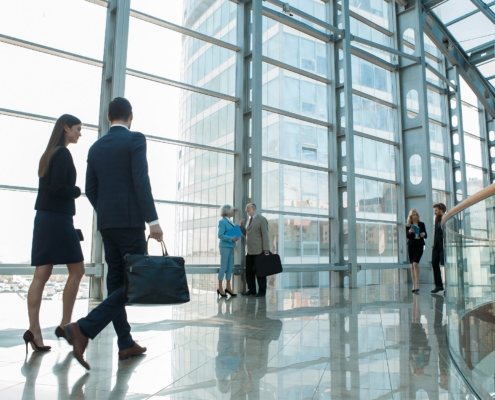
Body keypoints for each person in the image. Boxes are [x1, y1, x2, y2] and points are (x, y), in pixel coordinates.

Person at [64, 97, 163, 370]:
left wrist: (107, 211)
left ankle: (125, 343)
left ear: (109, 117)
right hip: (131, 223)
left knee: (117, 280)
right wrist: (152, 221)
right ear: (131, 116)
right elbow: (141, 181)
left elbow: (91, 189)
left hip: (108, 224)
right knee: (133, 282)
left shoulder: (95, 148)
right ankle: (83, 328)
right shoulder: (135, 140)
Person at [25, 114, 85, 353]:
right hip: (58, 219)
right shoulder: (63, 153)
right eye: (78, 129)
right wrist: (77, 190)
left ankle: (34, 330)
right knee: (77, 270)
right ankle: (65, 325)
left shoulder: (48, 154)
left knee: (41, 274)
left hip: (45, 218)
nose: (80, 133)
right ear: (66, 128)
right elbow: (59, 188)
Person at [239, 203, 270, 297]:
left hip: (259, 250)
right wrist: (241, 226)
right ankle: (251, 290)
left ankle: (262, 291)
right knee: (249, 272)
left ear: (253, 208)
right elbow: (246, 235)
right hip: (249, 251)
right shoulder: (249, 221)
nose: (246, 210)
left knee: (260, 271)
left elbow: (265, 234)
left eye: (247, 208)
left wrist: (266, 248)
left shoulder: (261, 219)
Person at [217, 204, 238, 297]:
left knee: (230, 267)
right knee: (224, 266)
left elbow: (230, 234)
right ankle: (220, 287)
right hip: (224, 246)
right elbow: (220, 235)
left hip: (230, 246)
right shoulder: (222, 221)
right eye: (232, 210)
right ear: (227, 211)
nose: (233, 212)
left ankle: (228, 287)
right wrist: (231, 238)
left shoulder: (231, 221)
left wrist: (234, 237)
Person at [406, 209, 427, 293]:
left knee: (415, 263)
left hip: (419, 245)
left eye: (416, 215)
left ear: (418, 216)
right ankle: (414, 284)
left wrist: (423, 234)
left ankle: (417, 283)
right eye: (413, 215)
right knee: (411, 265)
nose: (415, 216)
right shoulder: (408, 225)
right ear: (411, 216)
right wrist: (410, 232)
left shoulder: (422, 224)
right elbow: (407, 236)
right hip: (411, 246)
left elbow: (426, 234)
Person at [431, 203, 446, 294]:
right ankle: (439, 285)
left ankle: (446, 286)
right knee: (434, 263)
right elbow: (436, 234)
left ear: (441, 210)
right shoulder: (436, 220)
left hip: (444, 245)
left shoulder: (447, 217)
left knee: (446, 264)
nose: (435, 212)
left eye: (436, 210)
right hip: (437, 245)